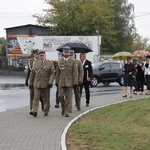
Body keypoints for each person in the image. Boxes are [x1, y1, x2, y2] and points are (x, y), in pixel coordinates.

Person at [29, 50, 55, 117]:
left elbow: (52, 73)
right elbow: (33, 73)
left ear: (45, 56)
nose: (41, 57)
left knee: (46, 99)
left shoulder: (49, 63)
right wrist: (30, 83)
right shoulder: (36, 63)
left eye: (42, 56)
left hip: (46, 83)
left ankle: (46, 110)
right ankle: (35, 111)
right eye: (40, 56)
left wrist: (50, 82)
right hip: (37, 83)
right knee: (36, 97)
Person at [55, 46, 78, 117]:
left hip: (69, 81)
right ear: (63, 52)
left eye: (67, 52)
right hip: (61, 81)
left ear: (69, 52)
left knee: (69, 97)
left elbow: (75, 72)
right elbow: (57, 72)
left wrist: (75, 82)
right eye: (65, 52)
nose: (66, 53)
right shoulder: (60, 61)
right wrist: (56, 81)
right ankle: (64, 108)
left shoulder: (73, 61)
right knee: (60, 96)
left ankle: (67, 111)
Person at [25, 49, 44, 113]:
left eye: (38, 54)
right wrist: (26, 80)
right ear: (34, 54)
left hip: (39, 80)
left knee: (40, 96)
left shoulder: (41, 61)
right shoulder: (31, 61)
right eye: (36, 54)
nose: (38, 55)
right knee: (32, 95)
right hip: (32, 80)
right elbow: (29, 72)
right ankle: (32, 109)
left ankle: (43, 106)